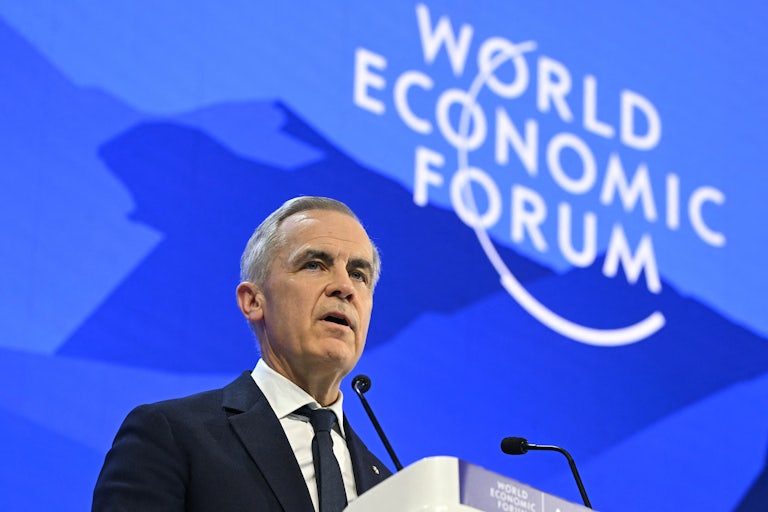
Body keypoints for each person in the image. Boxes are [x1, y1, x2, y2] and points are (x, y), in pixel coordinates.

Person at [92, 196, 393, 511]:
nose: (344, 287)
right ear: (253, 301)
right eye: (314, 264)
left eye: (359, 274)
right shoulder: (171, 435)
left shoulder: (389, 488)